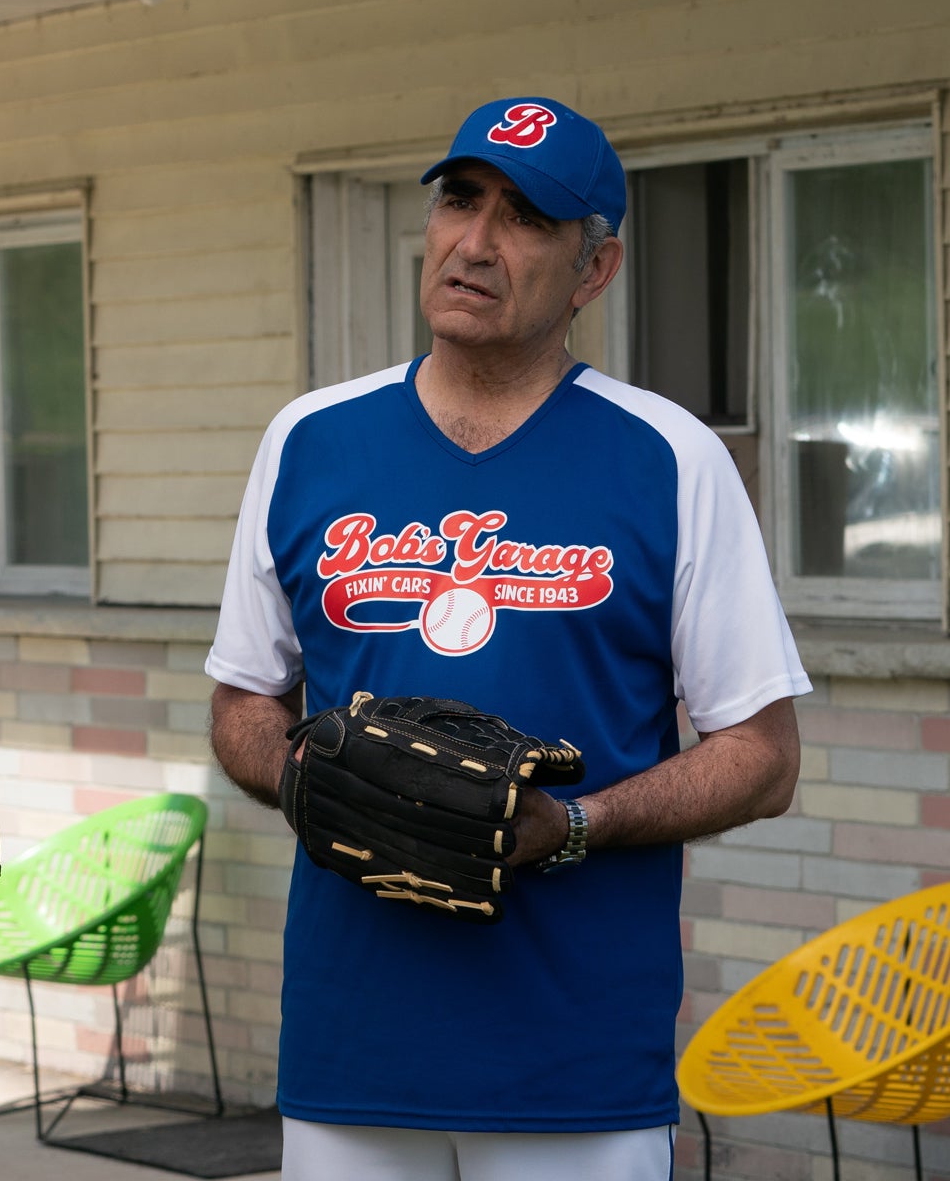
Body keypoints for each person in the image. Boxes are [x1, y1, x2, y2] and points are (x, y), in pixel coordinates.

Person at [206, 97, 808, 1180]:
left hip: (574, 1068)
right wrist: (309, 773)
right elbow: (245, 701)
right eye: (461, 199)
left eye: (527, 217)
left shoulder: (668, 459)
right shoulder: (309, 441)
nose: (477, 241)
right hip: (353, 1050)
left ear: (595, 270)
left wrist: (570, 825)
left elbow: (763, 760)